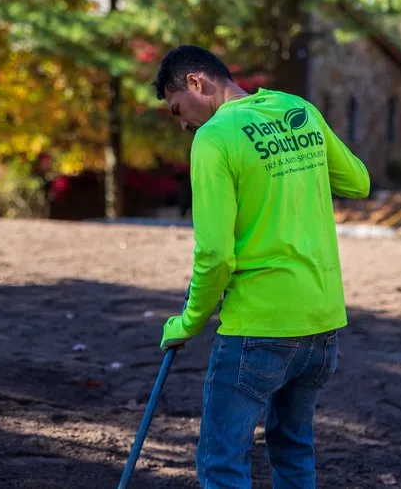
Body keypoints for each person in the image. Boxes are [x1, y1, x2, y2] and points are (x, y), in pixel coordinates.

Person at [152, 45, 370, 489]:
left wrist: (189, 322)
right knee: (292, 449)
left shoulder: (215, 138)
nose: (183, 124)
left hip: (259, 327)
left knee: (221, 460)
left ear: (197, 82)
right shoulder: (297, 109)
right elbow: (358, 181)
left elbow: (215, 255)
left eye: (179, 109)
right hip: (320, 326)